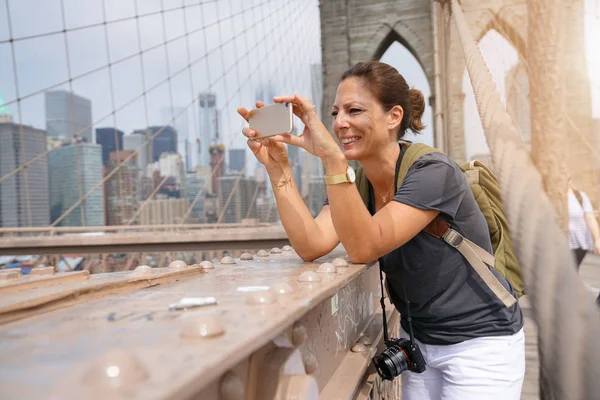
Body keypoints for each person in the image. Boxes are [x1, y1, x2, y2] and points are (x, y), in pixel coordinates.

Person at [238, 60, 524, 400]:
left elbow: (365, 246)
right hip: (417, 343)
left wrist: (333, 160)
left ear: (394, 116)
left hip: (480, 346)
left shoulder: (434, 172)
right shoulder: (360, 184)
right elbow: (311, 244)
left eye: (354, 110)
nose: (340, 123)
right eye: (335, 112)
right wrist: (279, 170)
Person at [567, 183, 600, 269]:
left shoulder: (580, 196)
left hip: (579, 243)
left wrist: (597, 240)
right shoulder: (551, 196)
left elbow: (590, 218)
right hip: (560, 243)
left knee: (570, 271)